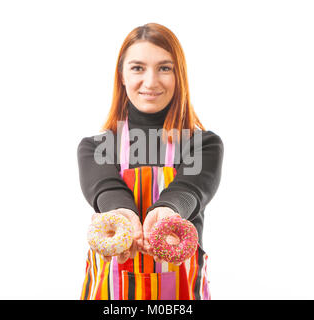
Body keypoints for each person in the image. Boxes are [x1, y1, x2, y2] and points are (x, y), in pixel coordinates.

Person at [78, 23, 224, 300]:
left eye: (164, 68)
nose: (151, 81)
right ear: (121, 75)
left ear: (178, 75)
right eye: (137, 67)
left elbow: (189, 188)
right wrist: (122, 214)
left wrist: (168, 211)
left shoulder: (202, 144)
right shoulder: (96, 147)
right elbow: (106, 188)